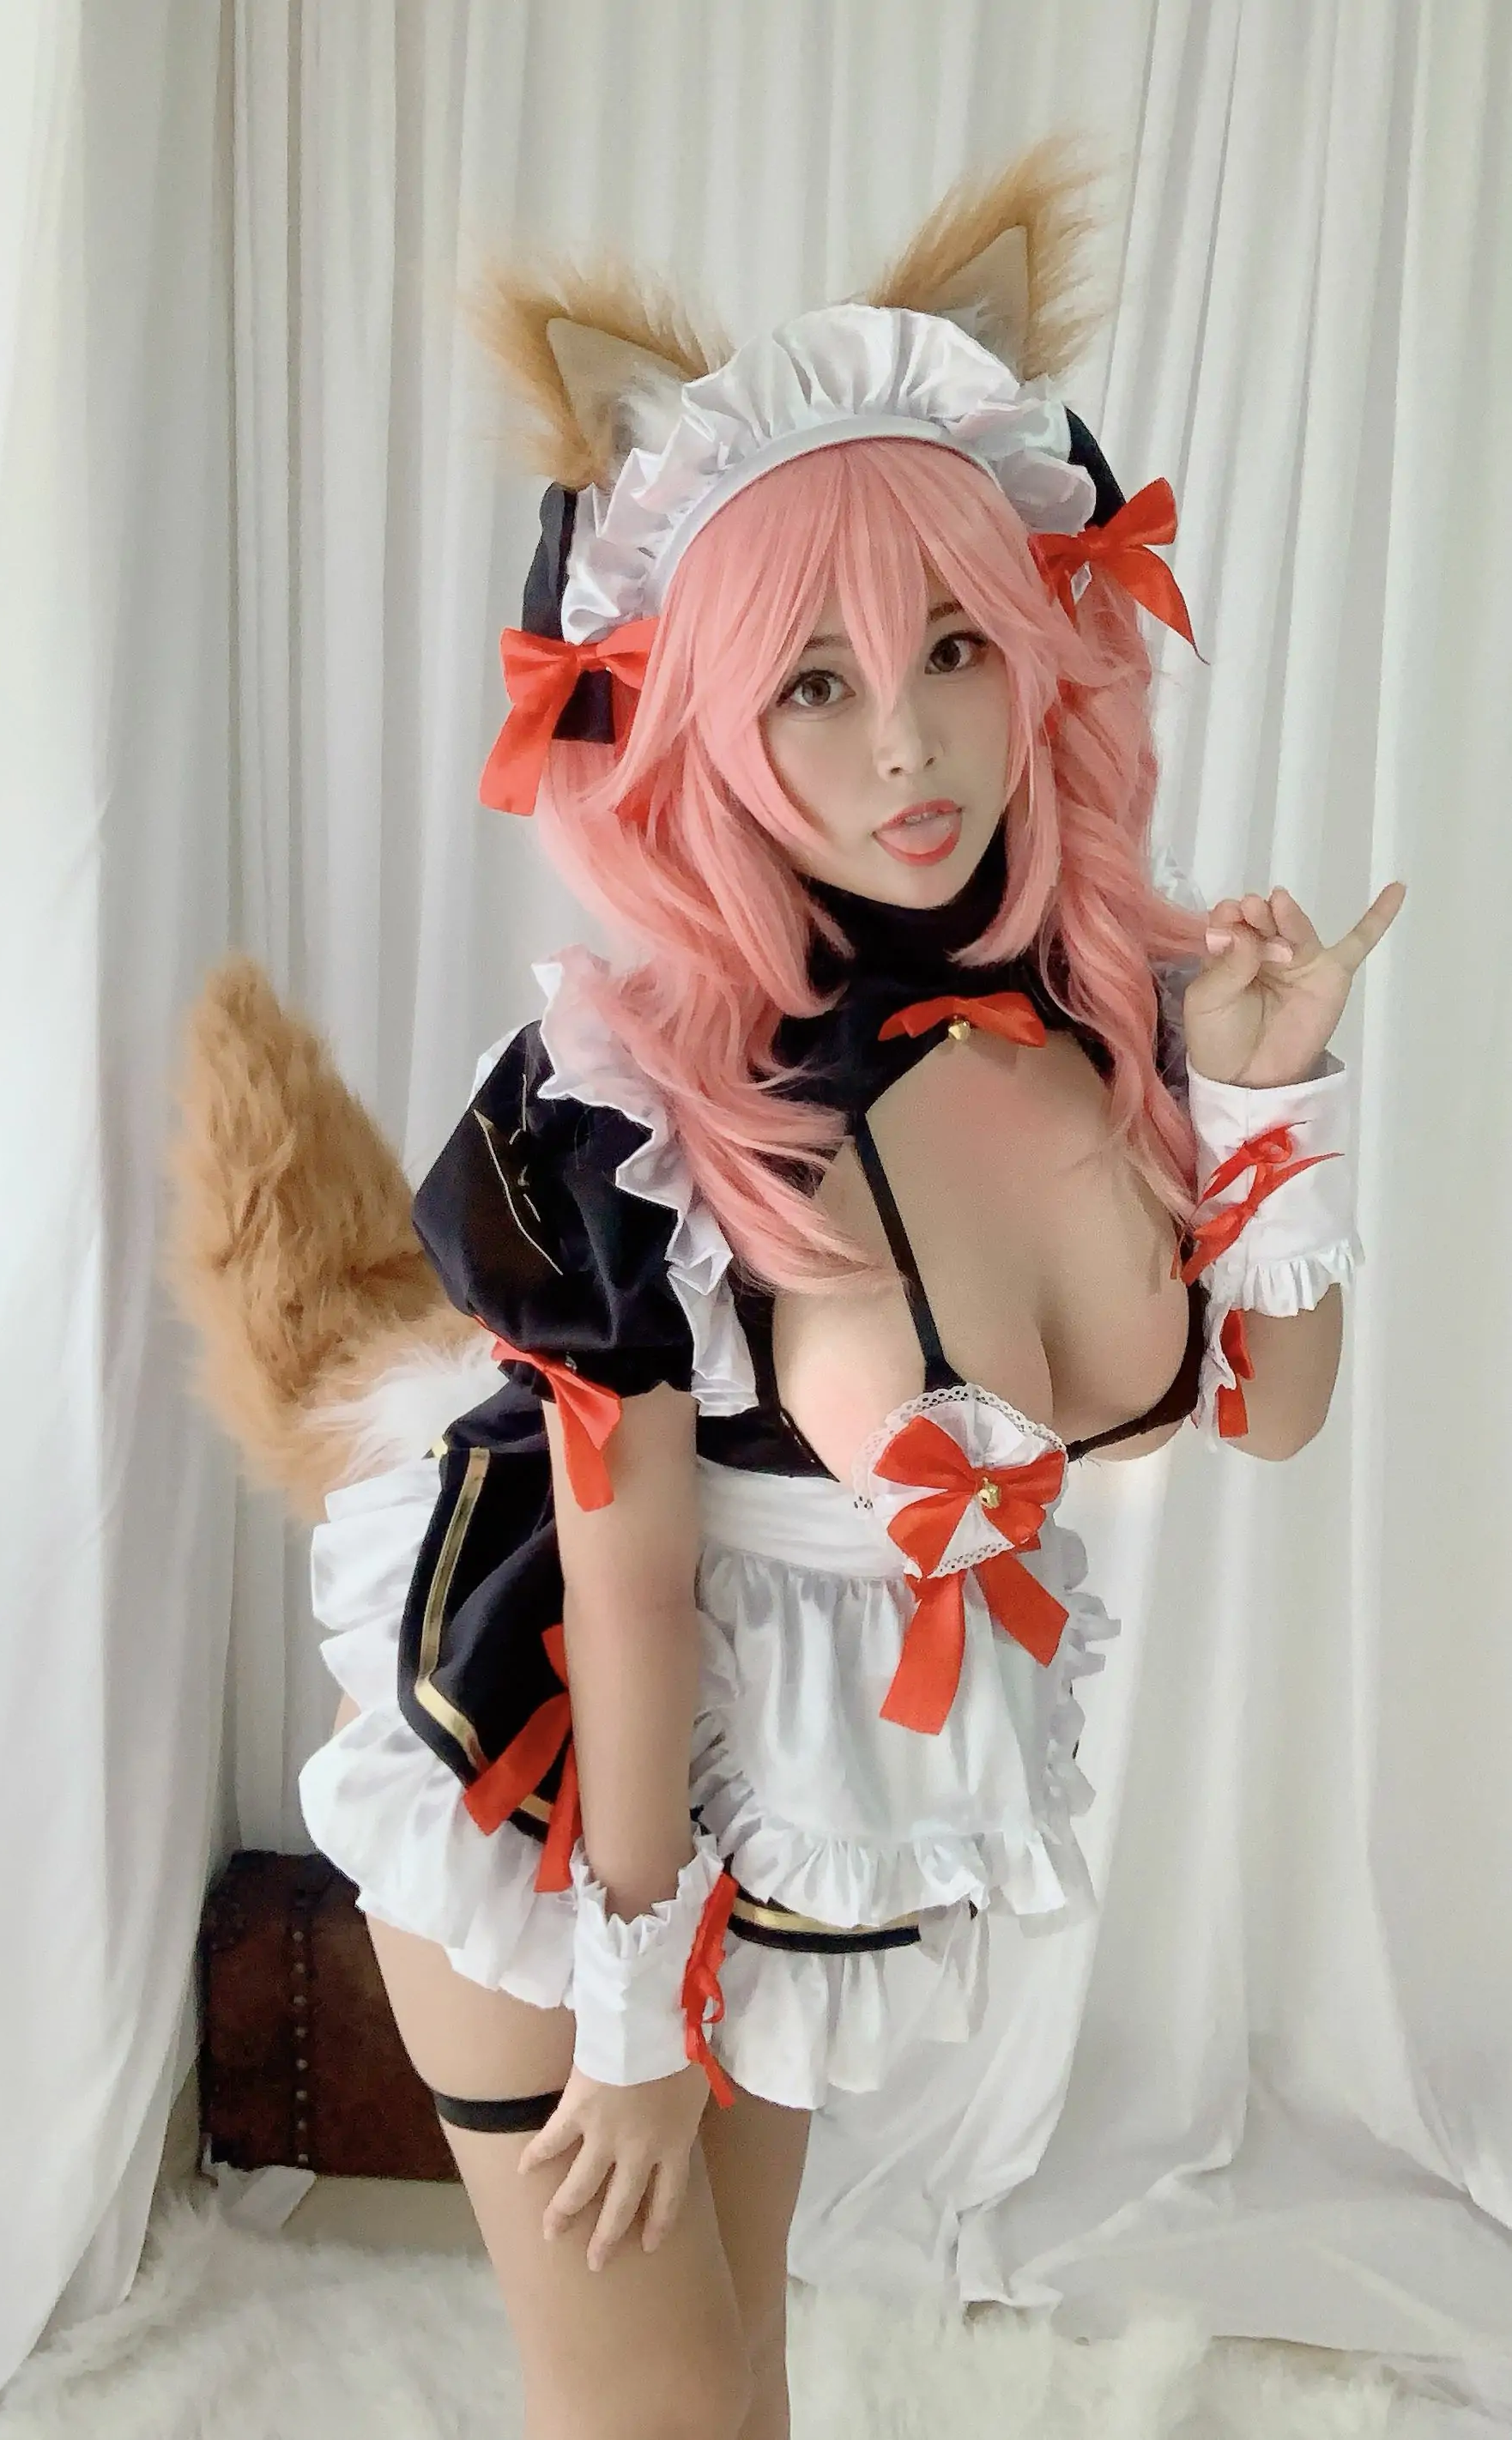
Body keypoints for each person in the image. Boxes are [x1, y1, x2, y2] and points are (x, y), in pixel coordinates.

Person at [186, 148, 1401, 2440]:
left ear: (1040, 644)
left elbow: (1270, 1408)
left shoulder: (1109, 1021)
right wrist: (634, 2017)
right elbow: (635, 1584)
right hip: (575, 1825)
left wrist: (1275, 1100)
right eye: (815, 684)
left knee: (733, 2397)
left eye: (951, 648)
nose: (908, 748)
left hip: (798, 1823)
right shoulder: (644, 1105)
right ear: (703, 718)